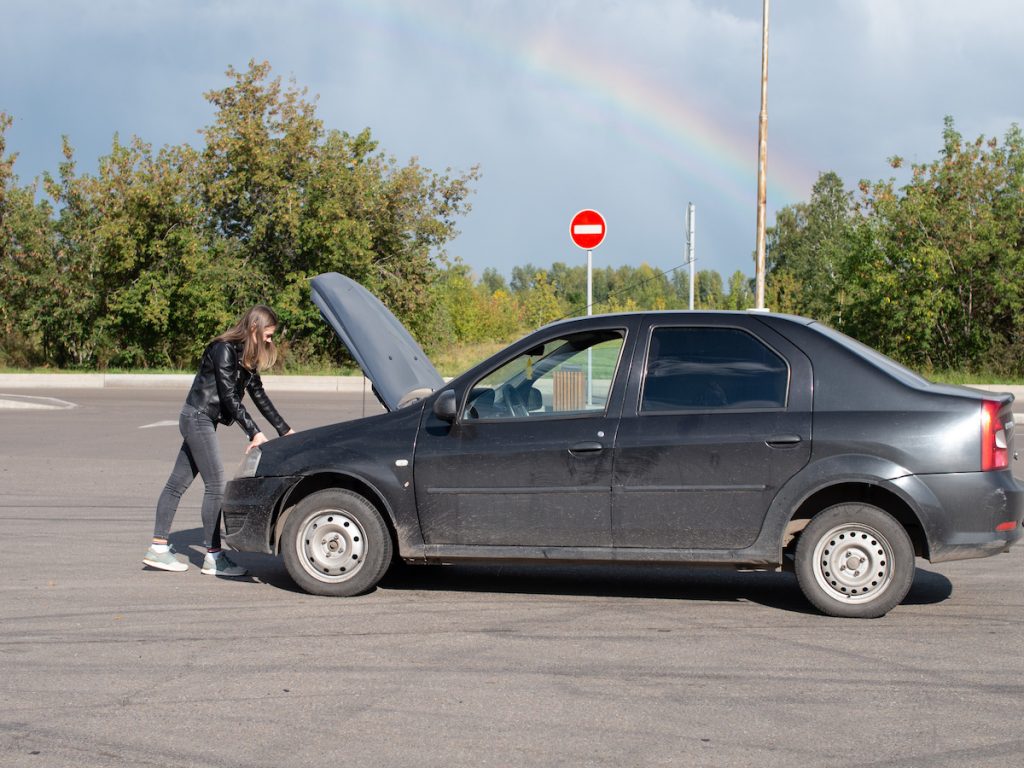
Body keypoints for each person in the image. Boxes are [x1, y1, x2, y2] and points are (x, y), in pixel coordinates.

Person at [143, 305, 294, 576]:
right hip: (197, 417)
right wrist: (254, 432)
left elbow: (259, 395)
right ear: (253, 329)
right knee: (215, 486)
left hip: (202, 419)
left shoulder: (246, 355)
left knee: (177, 484)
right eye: (268, 335)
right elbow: (228, 397)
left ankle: (158, 548)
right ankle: (214, 557)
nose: (271, 340)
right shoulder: (223, 349)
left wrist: (285, 430)